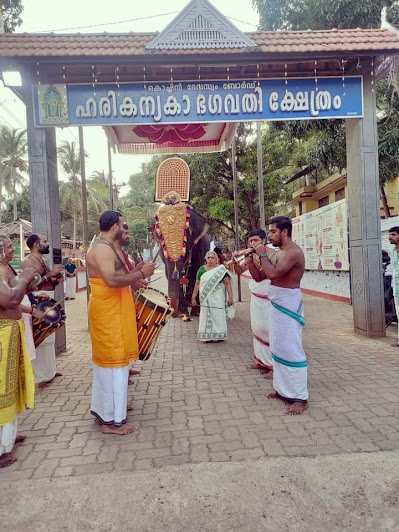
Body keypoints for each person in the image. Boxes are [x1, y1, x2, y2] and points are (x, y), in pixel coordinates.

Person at [86, 210, 155, 435]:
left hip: (114, 310)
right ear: (115, 227)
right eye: (122, 225)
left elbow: (120, 275)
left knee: (115, 365)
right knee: (111, 365)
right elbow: (111, 280)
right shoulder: (102, 249)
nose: (124, 229)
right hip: (107, 312)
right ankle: (110, 422)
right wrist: (139, 274)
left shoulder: (109, 248)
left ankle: (110, 412)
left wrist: (137, 273)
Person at [254, 216, 308, 415]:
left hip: (288, 303)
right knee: (278, 347)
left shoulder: (293, 252)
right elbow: (260, 275)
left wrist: (262, 255)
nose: (269, 235)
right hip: (278, 303)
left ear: (284, 232)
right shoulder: (281, 252)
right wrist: (253, 259)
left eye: (273, 231)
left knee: (291, 349)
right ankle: (283, 390)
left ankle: (300, 398)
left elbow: (274, 275)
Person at [0, 234, 37, 468]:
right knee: (3, 387)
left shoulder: (5, 268)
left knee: (13, 384)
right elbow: (11, 300)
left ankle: (9, 437)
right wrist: (24, 278)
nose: (12, 249)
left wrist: (32, 280)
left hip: (12, 331)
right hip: (3, 334)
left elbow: (18, 290)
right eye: (8, 246)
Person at [21, 234, 64, 389]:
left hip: (47, 297)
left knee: (49, 336)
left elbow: (47, 283)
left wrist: (56, 281)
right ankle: (40, 377)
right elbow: (29, 284)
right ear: (36, 245)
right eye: (44, 241)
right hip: (35, 300)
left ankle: (50, 372)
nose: (48, 244)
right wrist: (49, 275)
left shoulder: (44, 261)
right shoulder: (27, 262)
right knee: (40, 337)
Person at [233, 229, 276, 377]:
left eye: (256, 240)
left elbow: (260, 275)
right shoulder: (250, 254)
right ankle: (261, 360)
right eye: (251, 241)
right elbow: (239, 271)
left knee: (269, 330)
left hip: (268, 297)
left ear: (263, 241)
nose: (252, 243)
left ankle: (273, 365)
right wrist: (233, 260)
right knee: (257, 328)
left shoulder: (270, 253)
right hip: (256, 298)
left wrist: (251, 262)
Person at [114, 223, 148, 381]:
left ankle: (126, 367)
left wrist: (138, 272)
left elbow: (126, 275)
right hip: (114, 303)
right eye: (125, 233)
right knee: (119, 338)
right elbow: (115, 279)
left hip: (126, 297)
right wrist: (139, 273)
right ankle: (121, 373)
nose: (128, 236)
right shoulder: (109, 252)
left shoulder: (121, 252)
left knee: (127, 334)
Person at [191, 250, 233, 342]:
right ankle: (206, 336)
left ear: (216, 259)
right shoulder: (201, 270)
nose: (210, 260)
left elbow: (227, 283)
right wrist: (193, 297)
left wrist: (230, 297)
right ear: (206, 259)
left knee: (218, 314)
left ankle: (219, 335)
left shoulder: (221, 270)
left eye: (212, 258)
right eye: (208, 258)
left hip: (218, 297)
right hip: (205, 297)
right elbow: (197, 284)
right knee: (205, 315)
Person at [388, 226, 399, 346]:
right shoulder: (393, 251)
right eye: (390, 235)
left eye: (393, 234)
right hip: (397, 289)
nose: (390, 237)